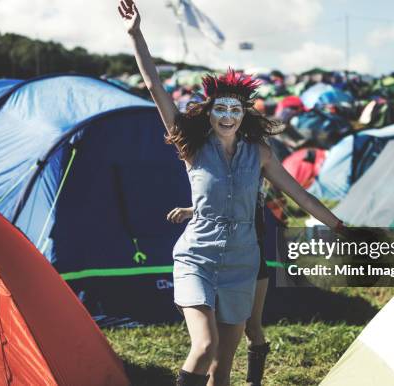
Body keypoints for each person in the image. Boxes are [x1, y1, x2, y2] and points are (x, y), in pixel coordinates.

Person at [118, 2, 346, 385]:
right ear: (209, 112)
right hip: (198, 256)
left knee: (222, 370)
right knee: (204, 345)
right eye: (220, 108)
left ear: (244, 113)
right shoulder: (192, 147)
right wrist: (135, 34)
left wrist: (338, 225)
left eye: (235, 109)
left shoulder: (259, 154)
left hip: (242, 261)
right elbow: (157, 88)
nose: (227, 115)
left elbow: (300, 196)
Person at [167, 183, 270, 386]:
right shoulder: (227, 169)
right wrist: (190, 211)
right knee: (210, 346)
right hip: (219, 259)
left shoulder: (257, 167)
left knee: (253, 327)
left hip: (251, 260)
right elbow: (217, 203)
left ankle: (253, 382)